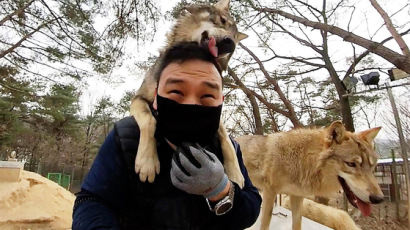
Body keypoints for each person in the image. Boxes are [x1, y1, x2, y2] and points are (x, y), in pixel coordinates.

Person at [72, 42, 261, 230]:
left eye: (207, 96)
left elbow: (250, 209)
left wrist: (222, 191)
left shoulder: (229, 148)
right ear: (155, 97)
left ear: (221, 101)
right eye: (176, 92)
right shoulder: (126, 136)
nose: (191, 104)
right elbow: (91, 201)